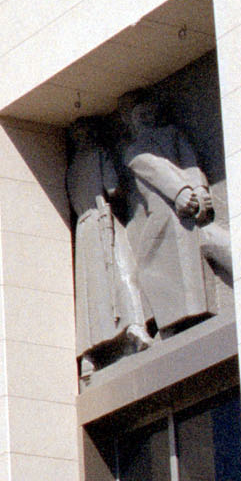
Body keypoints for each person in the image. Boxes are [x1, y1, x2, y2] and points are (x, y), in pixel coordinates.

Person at [117, 92, 232, 337]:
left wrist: (199, 190)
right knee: (150, 267)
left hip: (187, 213)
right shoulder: (134, 151)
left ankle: (181, 319)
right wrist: (181, 192)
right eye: (140, 114)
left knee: (202, 251)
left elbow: (190, 162)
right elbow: (154, 169)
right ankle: (168, 323)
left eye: (149, 111)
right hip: (165, 214)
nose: (146, 117)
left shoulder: (172, 134)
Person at [66, 117, 150, 378]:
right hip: (103, 219)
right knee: (125, 271)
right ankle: (135, 325)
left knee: (91, 292)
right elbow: (113, 188)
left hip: (83, 227)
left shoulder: (71, 169)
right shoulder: (98, 154)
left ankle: (88, 355)